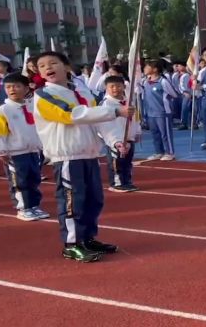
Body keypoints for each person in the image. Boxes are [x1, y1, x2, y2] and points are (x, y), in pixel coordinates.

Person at [33, 51, 134, 263]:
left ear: (66, 66)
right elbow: (72, 115)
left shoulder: (82, 92)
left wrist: (115, 141)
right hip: (68, 155)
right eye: (42, 66)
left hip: (88, 154)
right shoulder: (44, 95)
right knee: (73, 201)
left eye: (53, 63)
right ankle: (72, 243)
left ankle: (87, 237)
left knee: (93, 199)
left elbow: (99, 121)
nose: (47, 68)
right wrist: (115, 112)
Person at [0, 73, 48, 221]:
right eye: (8, 87)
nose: (12, 89)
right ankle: (23, 207)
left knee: (34, 179)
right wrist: (0, 150)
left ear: (26, 88)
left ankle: (34, 205)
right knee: (19, 181)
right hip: (15, 152)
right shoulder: (4, 110)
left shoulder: (32, 106)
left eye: (17, 86)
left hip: (33, 150)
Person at [97, 75, 141, 193]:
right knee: (117, 163)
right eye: (112, 87)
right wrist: (115, 141)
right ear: (106, 88)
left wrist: (137, 131)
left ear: (123, 86)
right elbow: (104, 126)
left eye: (118, 86)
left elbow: (136, 117)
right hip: (115, 140)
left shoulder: (128, 101)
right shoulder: (106, 105)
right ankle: (117, 183)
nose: (115, 89)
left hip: (129, 138)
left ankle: (127, 181)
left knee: (127, 162)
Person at [141, 60, 178, 161]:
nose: (144, 69)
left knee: (165, 133)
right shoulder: (145, 81)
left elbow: (174, 94)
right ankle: (159, 152)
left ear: (155, 69)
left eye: (147, 67)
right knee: (155, 133)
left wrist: (166, 102)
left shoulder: (163, 81)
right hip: (150, 112)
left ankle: (170, 152)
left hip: (163, 112)